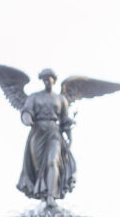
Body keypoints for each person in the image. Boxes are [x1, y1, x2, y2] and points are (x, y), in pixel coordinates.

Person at [17, 69, 77, 204]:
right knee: (39, 169)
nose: (46, 81)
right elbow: (26, 111)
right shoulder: (34, 97)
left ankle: (51, 195)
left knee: (52, 161)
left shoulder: (61, 99)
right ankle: (44, 194)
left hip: (54, 133)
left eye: (49, 79)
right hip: (37, 133)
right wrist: (26, 118)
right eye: (44, 79)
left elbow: (65, 120)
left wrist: (70, 138)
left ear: (54, 80)